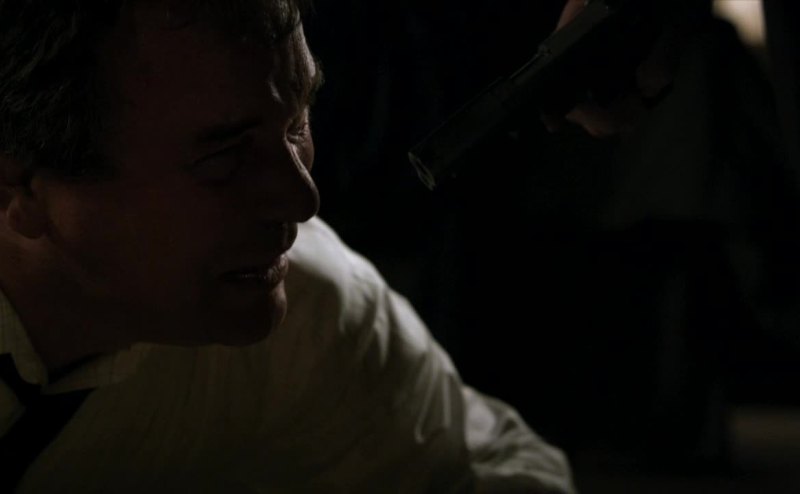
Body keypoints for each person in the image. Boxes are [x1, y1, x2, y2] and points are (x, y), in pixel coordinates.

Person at [0, 1, 574, 492]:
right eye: (223, 156)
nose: (302, 200)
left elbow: (497, 471)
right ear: (19, 185)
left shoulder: (305, 311)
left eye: (298, 123)